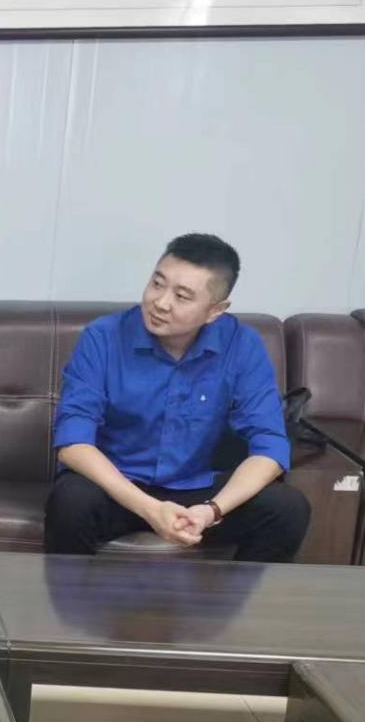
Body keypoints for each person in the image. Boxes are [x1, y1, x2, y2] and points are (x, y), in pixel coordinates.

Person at [46, 234, 309, 562]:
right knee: (71, 500)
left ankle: (233, 596)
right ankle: (71, 597)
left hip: (197, 490)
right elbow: (73, 443)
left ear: (215, 310)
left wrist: (211, 511)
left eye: (182, 296)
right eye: (157, 284)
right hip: (118, 486)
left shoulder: (242, 346)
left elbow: (270, 447)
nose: (160, 303)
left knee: (287, 508)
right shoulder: (104, 337)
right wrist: (150, 508)